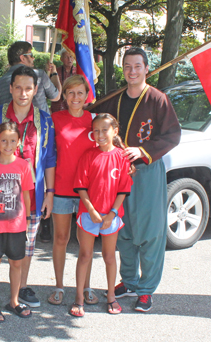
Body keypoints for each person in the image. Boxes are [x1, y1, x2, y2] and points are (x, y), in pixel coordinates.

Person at [95, 47, 181, 312]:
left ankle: (146, 289)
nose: (132, 72)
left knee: (149, 232)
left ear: (146, 68)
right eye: (127, 67)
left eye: (137, 66)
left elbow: (172, 135)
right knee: (124, 230)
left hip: (146, 171)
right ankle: (129, 280)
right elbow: (89, 112)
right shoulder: (116, 99)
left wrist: (142, 151)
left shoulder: (158, 99)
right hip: (117, 173)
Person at [0, 65, 56, 309]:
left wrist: (49, 193)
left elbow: (50, 158)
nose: (23, 93)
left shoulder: (45, 120)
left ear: (35, 90)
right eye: (18, 87)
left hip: (29, 195)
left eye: (28, 88)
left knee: (26, 243)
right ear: (10, 89)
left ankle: (21, 288)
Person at [70, 113, 133, 317]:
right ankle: (79, 298)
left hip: (111, 216)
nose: (100, 134)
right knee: (85, 255)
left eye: (104, 130)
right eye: (95, 131)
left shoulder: (122, 158)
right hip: (89, 214)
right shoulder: (88, 156)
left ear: (114, 131)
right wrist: (91, 210)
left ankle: (111, 297)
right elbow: (81, 187)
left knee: (109, 256)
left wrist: (111, 213)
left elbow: (123, 189)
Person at [48, 75, 98, 306]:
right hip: (61, 188)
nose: (75, 97)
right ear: (64, 96)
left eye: (80, 93)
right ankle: (59, 286)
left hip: (88, 192)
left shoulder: (94, 120)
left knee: (86, 242)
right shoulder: (55, 119)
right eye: (70, 93)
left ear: (86, 95)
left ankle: (85, 286)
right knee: (61, 238)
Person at [0, 122, 34, 322]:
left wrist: (27, 221)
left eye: (12, 140)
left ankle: (14, 301)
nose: (8, 144)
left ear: (18, 142)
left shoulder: (23, 166)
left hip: (17, 227)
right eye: (3, 140)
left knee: (16, 263)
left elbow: (26, 197)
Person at [0, 41, 61, 113]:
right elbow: (56, 97)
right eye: (31, 55)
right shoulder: (39, 75)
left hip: (10, 124)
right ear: (22, 58)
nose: (33, 58)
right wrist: (54, 73)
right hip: (38, 123)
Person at [51, 49, 76, 113]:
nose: (69, 59)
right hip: (57, 105)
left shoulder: (77, 72)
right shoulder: (55, 71)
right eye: (66, 57)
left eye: (71, 56)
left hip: (72, 105)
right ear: (61, 59)